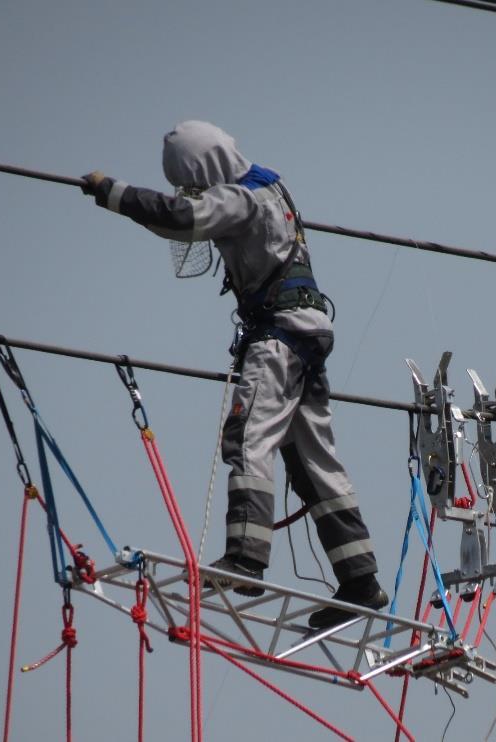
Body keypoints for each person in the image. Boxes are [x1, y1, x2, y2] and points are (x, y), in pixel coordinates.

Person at [80, 120, 386, 629]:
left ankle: (245, 558)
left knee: (249, 438)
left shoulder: (239, 199)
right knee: (315, 463)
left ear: (201, 168)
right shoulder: (274, 187)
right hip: (307, 336)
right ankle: (360, 578)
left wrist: (111, 192)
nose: (192, 191)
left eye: (190, 180)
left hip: (279, 340)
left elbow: (180, 218)